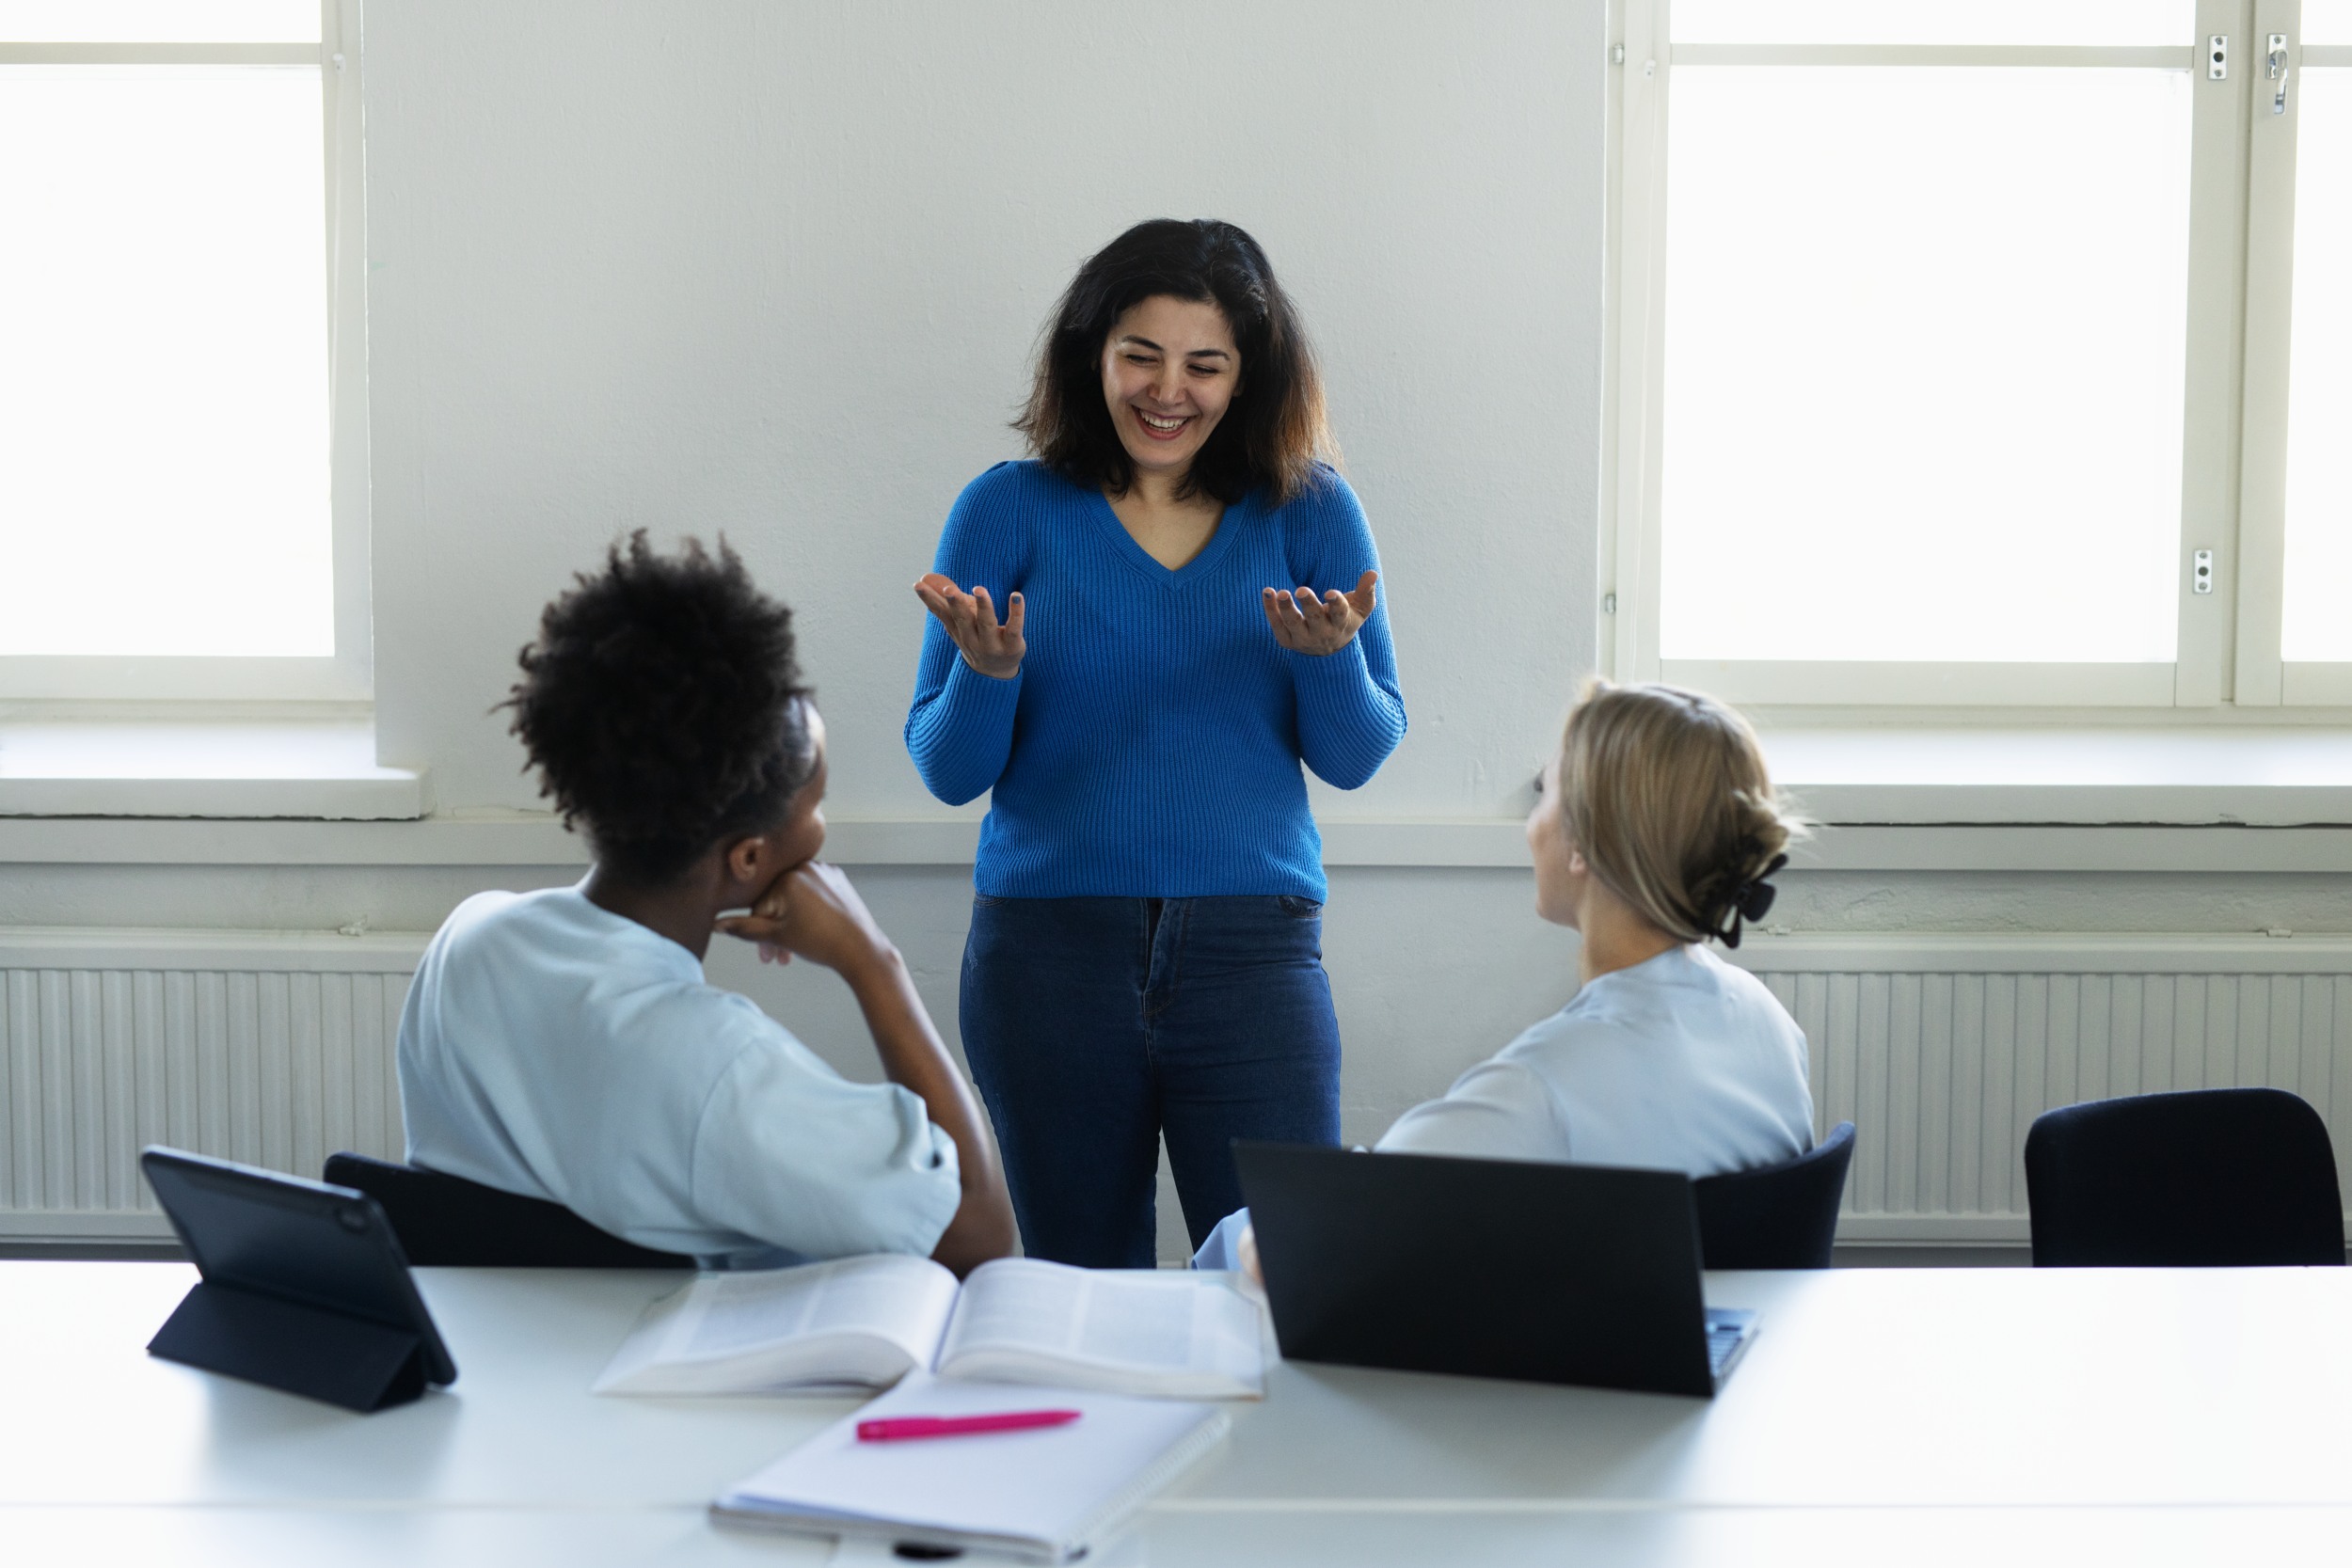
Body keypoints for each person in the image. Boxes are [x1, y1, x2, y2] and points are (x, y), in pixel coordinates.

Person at [899, 218, 1407, 1267]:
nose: (1166, 390)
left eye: (1203, 364)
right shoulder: (1008, 508)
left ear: (1247, 376)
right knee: (1075, 1289)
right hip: (1046, 957)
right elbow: (947, 769)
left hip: (1251, 954)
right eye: (1141, 354)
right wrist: (989, 679)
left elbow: (1357, 754)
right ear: (1092, 353)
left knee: (1288, 1277)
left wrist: (1323, 658)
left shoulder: (1309, 512)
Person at [397, 533, 1015, 1274]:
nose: (821, 827)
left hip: (504, 1366)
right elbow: (978, 1229)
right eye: (815, 804)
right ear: (749, 857)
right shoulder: (721, 1068)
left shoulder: (469, 942)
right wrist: (872, 961)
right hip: (660, 1379)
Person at [1195, 679, 1815, 1275]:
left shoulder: (1544, 1089)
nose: (1531, 821)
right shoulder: (1771, 1028)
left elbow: (1303, 1238)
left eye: (1545, 791)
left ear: (1583, 844)